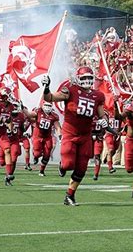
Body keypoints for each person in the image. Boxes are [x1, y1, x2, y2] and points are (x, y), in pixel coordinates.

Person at [42, 66, 107, 206]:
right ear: (78, 79)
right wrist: (46, 87)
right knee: (68, 164)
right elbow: (50, 98)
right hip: (70, 133)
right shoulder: (71, 90)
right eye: (84, 78)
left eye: (90, 78)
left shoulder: (98, 96)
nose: (87, 80)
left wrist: (104, 121)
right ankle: (62, 166)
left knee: (82, 168)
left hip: (85, 135)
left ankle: (69, 195)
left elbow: (102, 115)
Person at [30, 101, 61, 177]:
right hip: (37, 136)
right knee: (37, 153)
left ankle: (41, 171)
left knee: (47, 154)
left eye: (49, 105)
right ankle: (35, 156)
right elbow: (29, 115)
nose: (47, 107)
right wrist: (23, 109)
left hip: (47, 137)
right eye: (46, 105)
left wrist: (60, 136)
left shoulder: (54, 116)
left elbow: (58, 127)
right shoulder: (38, 111)